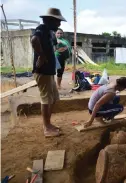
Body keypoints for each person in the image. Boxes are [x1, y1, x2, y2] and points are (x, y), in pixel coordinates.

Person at [31, 8, 66, 137]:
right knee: (46, 99)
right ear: (49, 20)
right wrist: (41, 56)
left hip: (49, 71)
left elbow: (54, 46)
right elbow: (34, 40)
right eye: (57, 21)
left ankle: (48, 124)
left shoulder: (50, 32)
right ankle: (46, 128)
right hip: (42, 71)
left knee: (54, 98)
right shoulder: (41, 29)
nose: (59, 24)